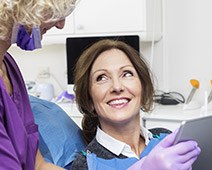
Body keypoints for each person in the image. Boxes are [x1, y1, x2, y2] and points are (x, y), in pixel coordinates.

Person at [71, 39, 201, 170]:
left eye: (126, 74)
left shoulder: (165, 138)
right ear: (89, 100)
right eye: (102, 78)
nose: (117, 87)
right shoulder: (86, 164)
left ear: (143, 89)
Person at [0, 0, 77, 169]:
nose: (61, 24)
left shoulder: (9, 66)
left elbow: (38, 164)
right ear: (25, 4)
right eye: (57, 12)